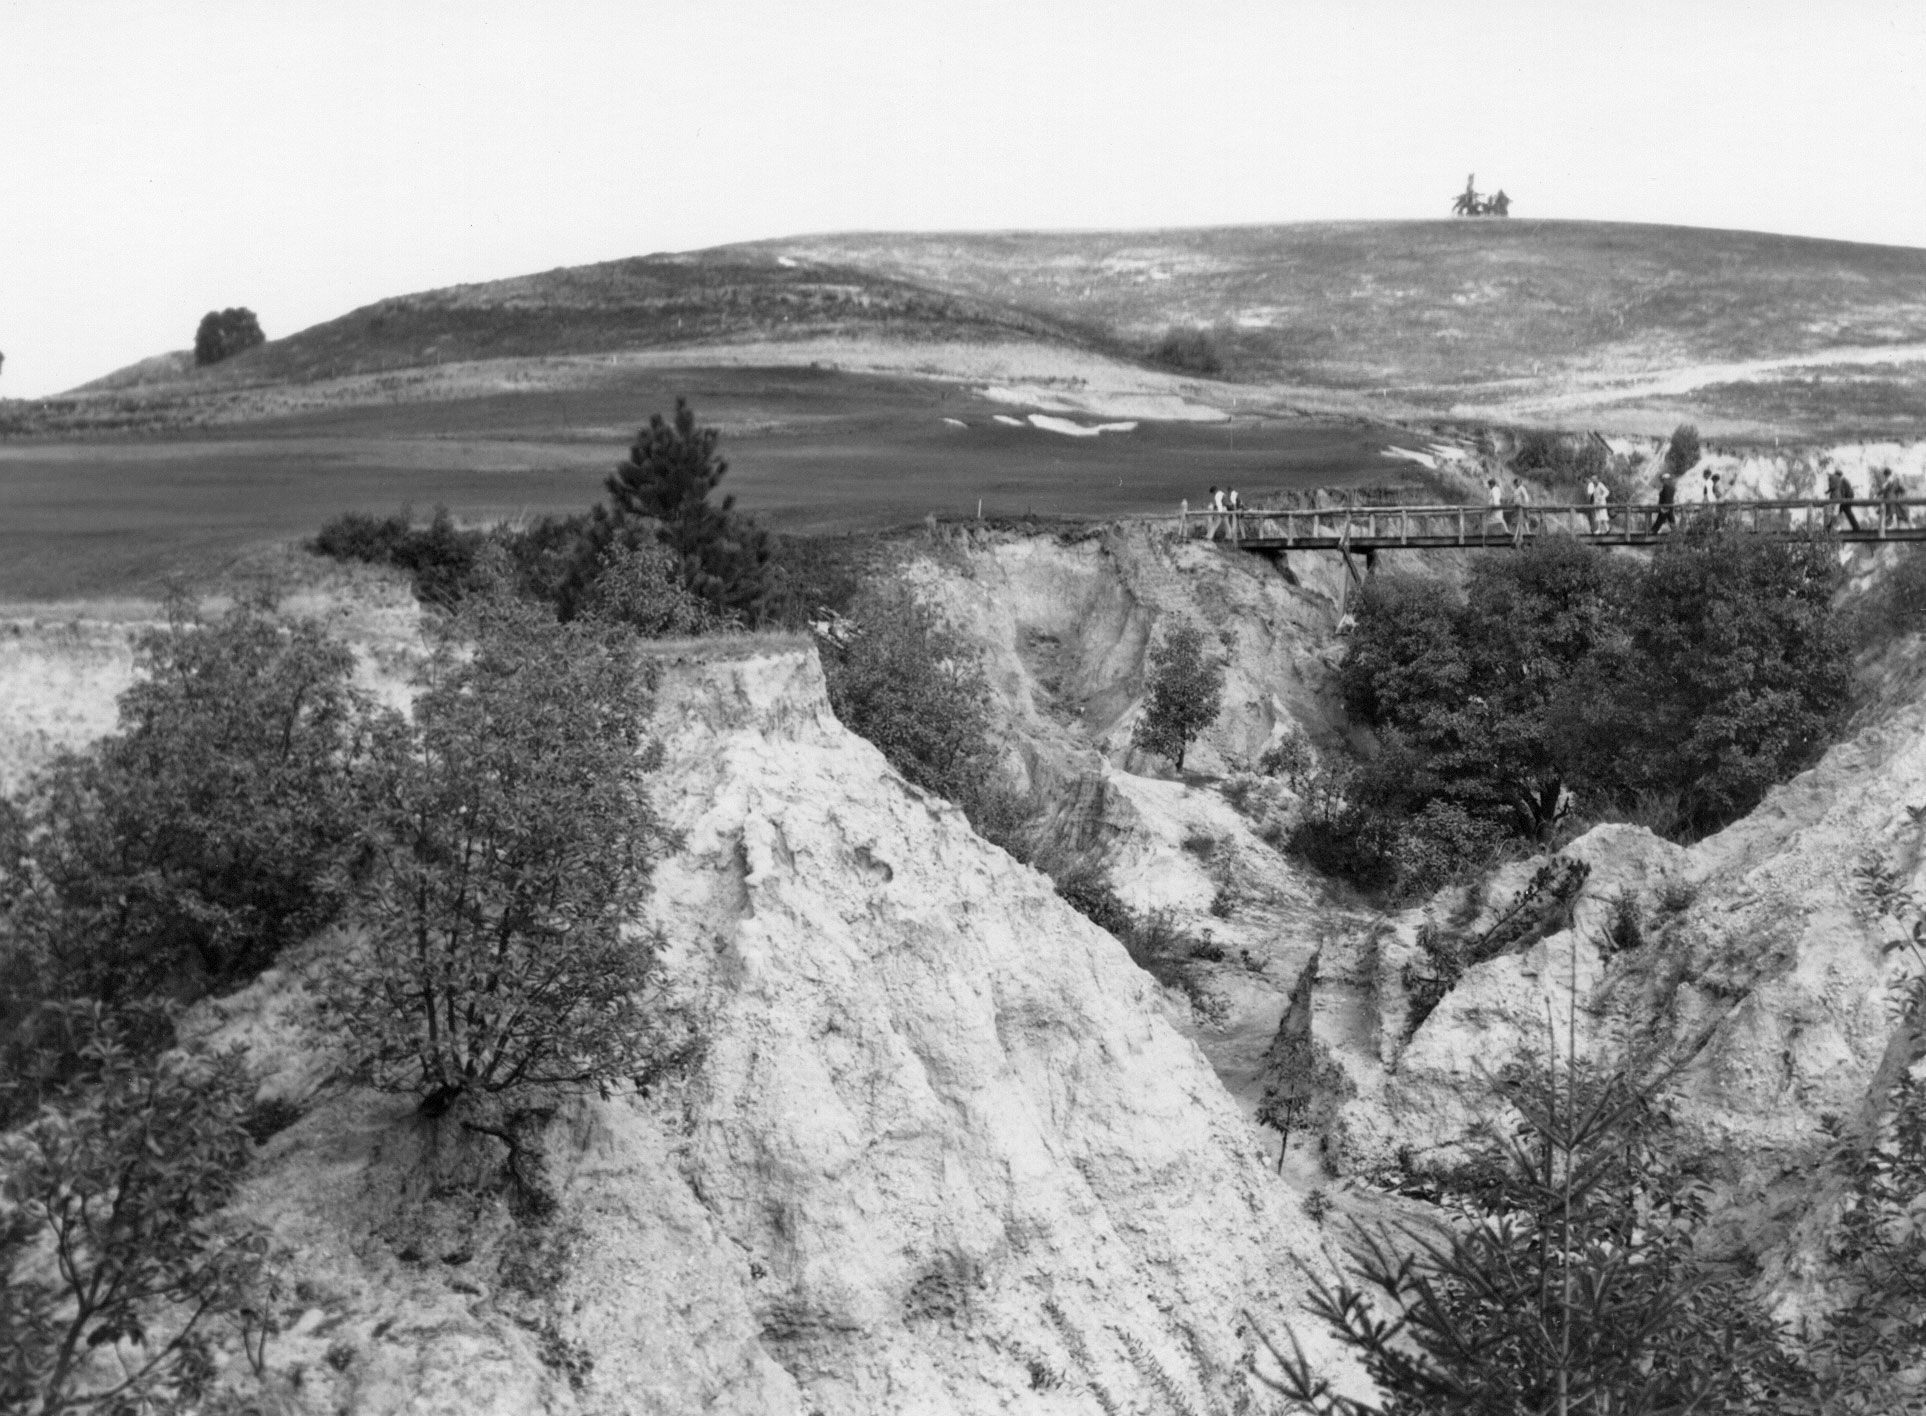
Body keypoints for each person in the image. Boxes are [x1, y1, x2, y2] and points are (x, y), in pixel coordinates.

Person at [1827, 466, 1860, 532]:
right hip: (1844, 499)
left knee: (1840, 512)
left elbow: (1847, 491)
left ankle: (1829, 527)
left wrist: (1845, 500)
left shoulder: (1843, 480)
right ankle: (1830, 526)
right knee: (1839, 512)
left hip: (1846, 500)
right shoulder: (1842, 480)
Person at [1508, 477, 1532, 544]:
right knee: (1519, 518)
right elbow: (1513, 497)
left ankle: (1527, 532)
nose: (1517, 483)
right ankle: (1522, 532)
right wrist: (1509, 502)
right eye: (1516, 482)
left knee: (1524, 518)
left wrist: (1526, 503)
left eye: (1519, 482)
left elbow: (1525, 496)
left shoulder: (1521, 488)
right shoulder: (1516, 489)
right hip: (1517, 506)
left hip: (1522, 506)